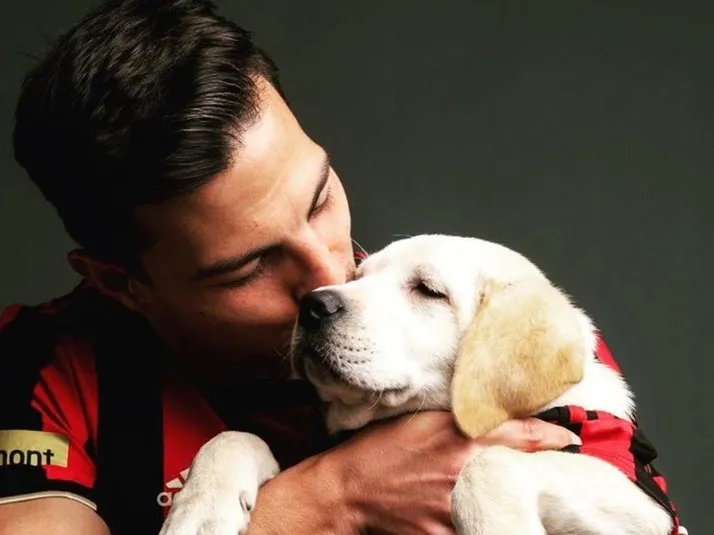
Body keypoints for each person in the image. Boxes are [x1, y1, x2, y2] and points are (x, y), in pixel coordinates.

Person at [0, 1, 678, 535]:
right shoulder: (33, 370)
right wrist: (331, 498)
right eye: (248, 266)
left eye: (320, 198)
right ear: (121, 283)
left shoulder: (476, 315)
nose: (330, 274)